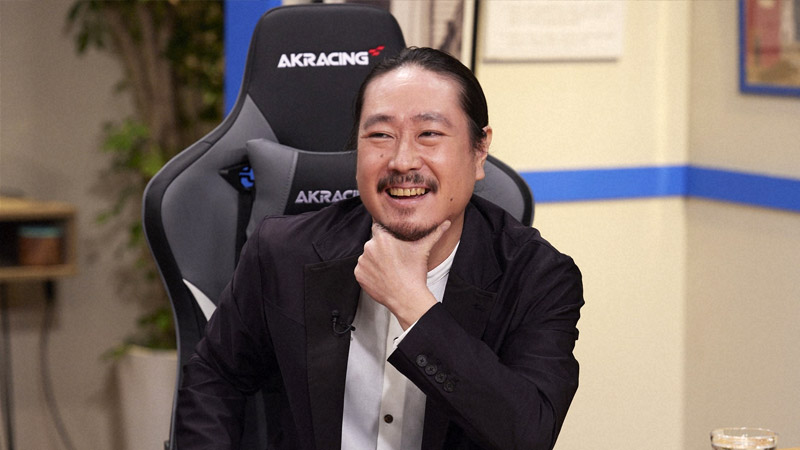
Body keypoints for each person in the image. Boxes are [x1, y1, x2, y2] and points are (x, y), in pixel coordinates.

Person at [176, 47, 583, 450]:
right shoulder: (282, 252)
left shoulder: (539, 278)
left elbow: (528, 434)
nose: (402, 161)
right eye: (380, 136)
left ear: (479, 151)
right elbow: (215, 376)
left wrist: (413, 305)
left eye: (429, 134)